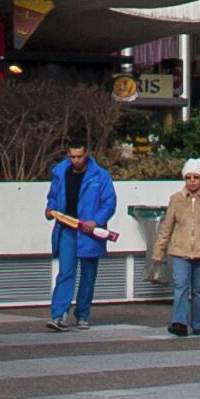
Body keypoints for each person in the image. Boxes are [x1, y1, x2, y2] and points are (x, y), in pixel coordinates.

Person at [43, 139, 118, 329]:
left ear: (87, 154)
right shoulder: (60, 173)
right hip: (67, 228)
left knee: (88, 275)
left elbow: (109, 203)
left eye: (79, 156)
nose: (75, 160)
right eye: (72, 156)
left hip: (89, 232)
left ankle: (82, 314)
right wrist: (50, 209)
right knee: (65, 272)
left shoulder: (100, 176)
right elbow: (53, 196)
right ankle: (59, 315)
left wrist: (96, 221)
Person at [155, 157, 200, 336]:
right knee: (180, 285)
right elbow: (166, 227)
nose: (192, 181)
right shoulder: (176, 199)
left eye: (196, 177)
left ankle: (197, 324)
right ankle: (179, 322)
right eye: (188, 177)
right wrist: (159, 250)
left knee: (199, 289)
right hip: (179, 251)